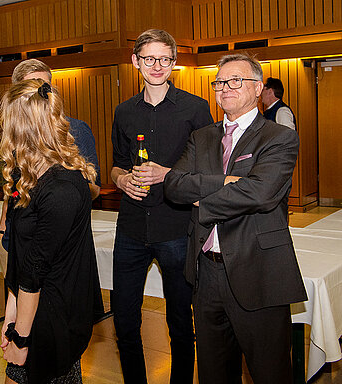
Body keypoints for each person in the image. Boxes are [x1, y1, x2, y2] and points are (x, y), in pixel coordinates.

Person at [164, 53, 307, 383]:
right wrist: (224, 183)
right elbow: (173, 185)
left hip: (257, 270)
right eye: (219, 82)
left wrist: (201, 198)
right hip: (206, 274)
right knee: (215, 373)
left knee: (270, 373)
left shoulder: (278, 136)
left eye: (235, 80)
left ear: (258, 88)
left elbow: (260, 192)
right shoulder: (202, 137)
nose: (225, 87)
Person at [110, 29, 213, 383]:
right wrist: (121, 179)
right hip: (131, 228)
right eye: (149, 58)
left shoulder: (196, 109)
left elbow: (209, 171)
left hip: (176, 227)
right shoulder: (123, 111)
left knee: (180, 322)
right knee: (123, 320)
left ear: (174, 63)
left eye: (165, 59)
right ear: (136, 61)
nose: (157, 65)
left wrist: (166, 173)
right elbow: (115, 164)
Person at [0, 78, 102, 384]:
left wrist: (22, 338)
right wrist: (10, 316)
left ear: (20, 128)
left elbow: (35, 272)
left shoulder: (61, 187)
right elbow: (20, 258)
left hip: (53, 315)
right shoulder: (27, 177)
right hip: (32, 309)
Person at [0, 58, 101, 277]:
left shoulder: (76, 131)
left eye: (45, 88)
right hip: (14, 240)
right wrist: (2, 228)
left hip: (58, 246)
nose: (40, 96)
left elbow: (93, 189)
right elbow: (14, 185)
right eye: (32, 89)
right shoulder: (16, 133)